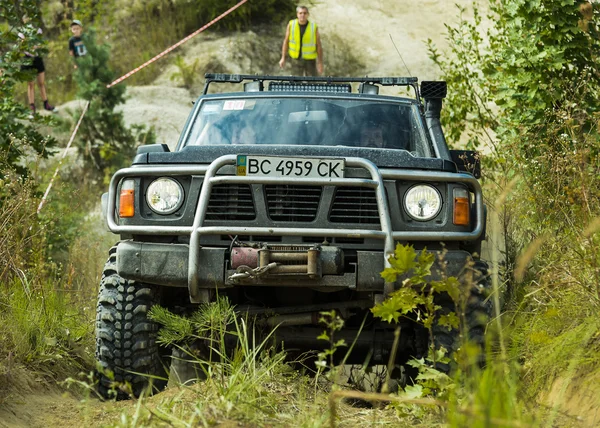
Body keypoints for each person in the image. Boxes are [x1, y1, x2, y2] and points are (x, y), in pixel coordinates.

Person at [18, 16, 54, 115]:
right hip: (27, 58)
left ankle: (46, 103)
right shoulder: (22, 31)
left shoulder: (38, 30)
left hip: (37, 58)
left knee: (41, 83)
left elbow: (39, 44)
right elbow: (22, 45)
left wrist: (35, 45)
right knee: (30, 84)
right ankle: (32, 107)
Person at [279, 6, 323, 76]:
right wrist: (283, 58)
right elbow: (286, 42)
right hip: (296, 60)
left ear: (308, 14)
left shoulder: (313, 27)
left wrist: (320, 62)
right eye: (300, 13)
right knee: (296, 83)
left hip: (310, 60)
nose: (302, 15)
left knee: (312, 83)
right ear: (297, 14)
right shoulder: (291, 24)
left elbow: (319, 45)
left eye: (305, 13)